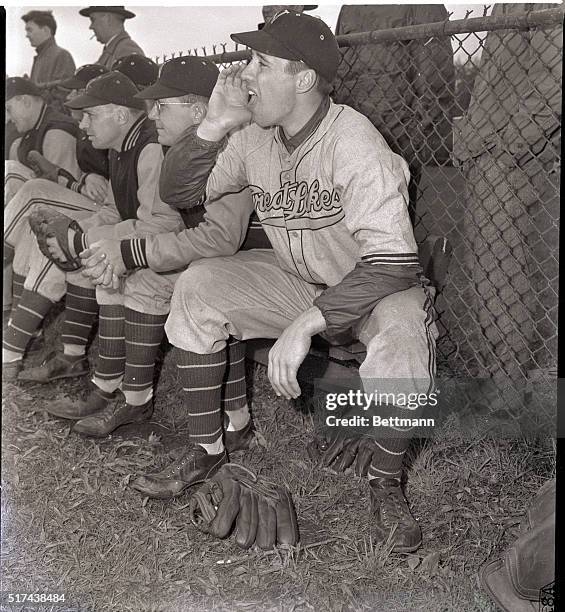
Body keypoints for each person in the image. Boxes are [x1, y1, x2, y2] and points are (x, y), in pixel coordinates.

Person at [84, 12, 437, 552]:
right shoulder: (254, 136)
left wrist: (305, 325)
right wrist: (211, 127)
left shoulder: (354, 140)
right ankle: (208, 448)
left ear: (303, 79)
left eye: (260, 62)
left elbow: (395, 262)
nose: (245, 74)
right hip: (298, 280)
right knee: (199, 285)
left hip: (372, 284)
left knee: (404, 338)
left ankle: (386, 484)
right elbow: (181, 193)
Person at [45, 56, 268, 448]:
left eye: (163, 106)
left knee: (151, 277)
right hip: (221, 260)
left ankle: (234, 421)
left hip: (259, 265)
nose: (152, 114)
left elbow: (220, 239)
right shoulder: (182, 148)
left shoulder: (226, 148)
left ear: (200, 110)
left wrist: (134, 251)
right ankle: (134, 399)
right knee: (140, 271)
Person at [2, 72, 183, 384]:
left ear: (120, 114)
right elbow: (113, 211)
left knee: (74, 242)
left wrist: (79, 237)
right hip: (140, 233)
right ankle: (67, 356)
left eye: (89, 115)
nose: (82, 125)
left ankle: (20, 351)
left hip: (171, 247)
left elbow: (162, 225)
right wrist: (73, 232)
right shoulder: (119, 145)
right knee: (59, 236)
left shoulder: (150, 147)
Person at [453, 3, 561, 389]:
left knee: (500, 269)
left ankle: (507, 387)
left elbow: (556, 83)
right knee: (488, 266)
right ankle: (500, 376)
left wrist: (507, 147)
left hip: (507, 157)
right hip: (492, 153)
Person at [3, 64, 110, 351]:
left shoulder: (59, 129)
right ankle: (14, 344)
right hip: (82, 209)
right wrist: (84, 178)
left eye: (80, 90)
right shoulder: (28, 134)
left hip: (101, 216)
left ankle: (15, 344)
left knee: (26, 187)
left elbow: (62, 189)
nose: (71, 97)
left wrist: (80, 179)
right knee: (35, 227)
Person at [333, 5, 455, 224]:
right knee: (348, 221)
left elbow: (435, 79)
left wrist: (418, 132)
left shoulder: (424, 7)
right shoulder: (350, 8)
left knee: (393, 220)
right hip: (355, 133)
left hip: (399, 136)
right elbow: (340, 71)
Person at [5, 77, 80, 204]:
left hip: (77, 212)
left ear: (25, 101)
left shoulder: (56, 133)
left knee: (10, 169)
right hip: (48, 210)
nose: (7, 118)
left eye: (8, 109)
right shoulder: (27, 134)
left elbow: (65, 196)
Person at [21, 10, 76, 112]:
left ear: (46, 30)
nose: (27, 35)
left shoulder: (62, 55)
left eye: (30, 30)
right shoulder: (40, 58)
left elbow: (63, 100)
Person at [80, 6, 145, 69]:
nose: (91, 27)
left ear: (107, 19)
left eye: (93, 20)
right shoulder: (116, 49)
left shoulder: (127, 51)